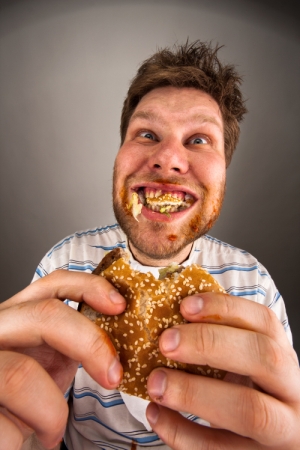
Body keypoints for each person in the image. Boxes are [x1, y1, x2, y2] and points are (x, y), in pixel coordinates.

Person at [1, 40, 299, 450]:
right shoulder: (63, 265)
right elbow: (35, 421)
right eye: (147, 133)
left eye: (198, 140)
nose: (168, 158)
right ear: (119, 153)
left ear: (225, 170)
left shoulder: (255, 288)